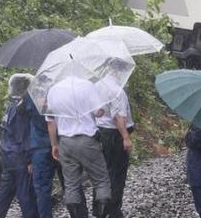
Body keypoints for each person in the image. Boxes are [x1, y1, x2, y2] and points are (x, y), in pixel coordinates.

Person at [46, 77, 112, 218]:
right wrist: (103, 107)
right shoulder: (87, 86)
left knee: (71, 184)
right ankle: (101, 214)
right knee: (101, 180)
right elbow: (98, 112)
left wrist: (54, 145)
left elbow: (50, 123)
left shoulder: (53, 91)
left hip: (65, 142)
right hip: (87, 141)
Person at [0, 74, 38, 218]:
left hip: (7, 154)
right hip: (19, 156)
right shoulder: (21, 109)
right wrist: (29, 159)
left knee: (5, 192)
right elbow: (23, 137)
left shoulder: (11, 106)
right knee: (25, 193)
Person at [94, 87, 134, 218]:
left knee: (101, 173)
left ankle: (99, 209)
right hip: (114, 135)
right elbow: (118, 116)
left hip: (99, 132)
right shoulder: (116, 90)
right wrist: (126, 138)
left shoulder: (96, 86)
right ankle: (114, 210)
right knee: (117, 173)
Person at [25, 89, 57, 218]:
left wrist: (28, 158)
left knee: (42, 189)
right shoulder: (59, 91)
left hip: (39, 145)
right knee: (71, 185)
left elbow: (25, 126)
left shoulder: (31, 93)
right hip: (61, 142)